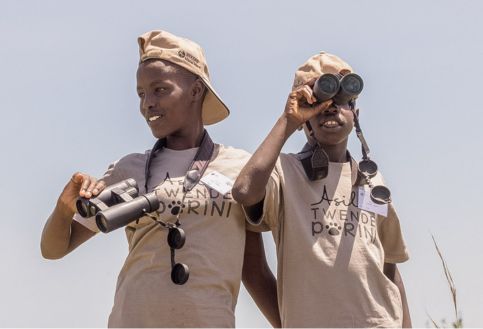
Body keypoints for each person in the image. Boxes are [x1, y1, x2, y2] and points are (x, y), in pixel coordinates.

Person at [41, 30, 280, 328]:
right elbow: (53, 250)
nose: (147, 103)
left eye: (160, 90)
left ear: (195, 90)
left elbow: (254, 270)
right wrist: (64, 209)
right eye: (141, 94)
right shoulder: (129, 169)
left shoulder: (238, 169)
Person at [232, 51, 411, 328]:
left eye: (341, 100)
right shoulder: (283, 173)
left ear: (356, 114)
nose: (330, 108)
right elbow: (244, 191)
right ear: (304, 117)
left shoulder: (371, 182)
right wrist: (287, 121)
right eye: (319, 101)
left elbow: (388, 267)